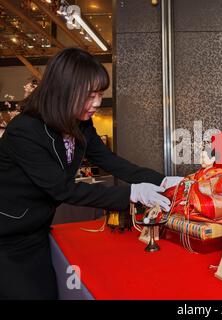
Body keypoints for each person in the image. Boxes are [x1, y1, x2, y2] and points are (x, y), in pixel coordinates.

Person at [0, 48, 171, 299]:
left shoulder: (79, 123)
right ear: (64, 91)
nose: (98, 104)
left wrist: (162, 180)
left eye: (100, 94)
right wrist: (133, 193)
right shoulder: (25, 130)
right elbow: (63, 189)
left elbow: (108, 160)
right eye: (91, 95)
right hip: (6, 236)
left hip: (37, 230)